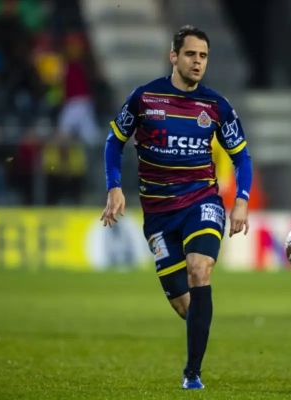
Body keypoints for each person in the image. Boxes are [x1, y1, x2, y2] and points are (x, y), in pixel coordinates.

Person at [100, 25, 253, 390]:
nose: (198, 62)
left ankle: (192, 374)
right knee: (185, 305)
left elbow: (242, 157)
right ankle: (199, 330)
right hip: (158, 214)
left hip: (202, 202)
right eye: (190, 54)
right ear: (173, 56)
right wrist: (114, 187)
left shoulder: (216, 106)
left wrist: (242, 200)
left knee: (200, 270)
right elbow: (113, 142)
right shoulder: (144, 98)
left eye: (203, 56)